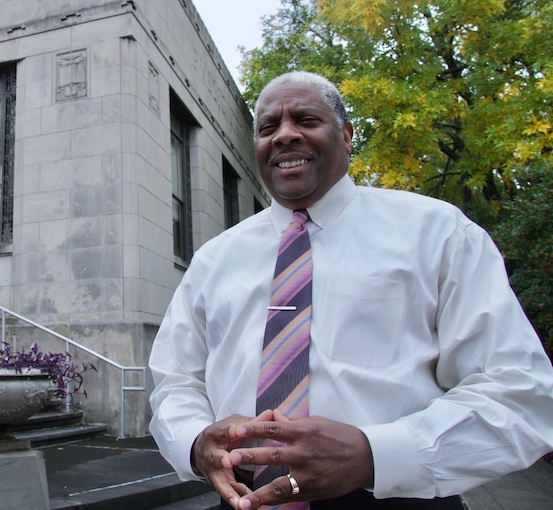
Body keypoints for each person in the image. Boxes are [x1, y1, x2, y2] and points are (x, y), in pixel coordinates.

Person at [148, 71, 553, 509]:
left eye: (305, 119)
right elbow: (175, 380)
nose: (285, 135)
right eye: (268, 127)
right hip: (246, 499)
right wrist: (193, 442)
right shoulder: (214, 259)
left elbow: (518, 392)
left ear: (346, 134)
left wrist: (373, 454)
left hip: (394, 495)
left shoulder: (439, 234)